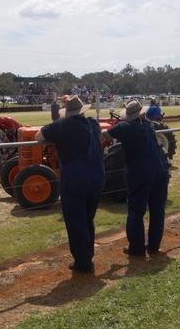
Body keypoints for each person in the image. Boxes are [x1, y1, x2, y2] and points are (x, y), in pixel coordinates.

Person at [35, 95, 104, 273]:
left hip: (75, 178)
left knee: (75, 220)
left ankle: (83, 262)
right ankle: (88, 255)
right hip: (97, 176)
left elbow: (39, 136)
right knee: (88, 218)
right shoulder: (93, 124)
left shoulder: (61, 125)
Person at [104, 100, 170, 256]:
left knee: (135, 211)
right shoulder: (149, 126)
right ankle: (154, 246)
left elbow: (104, 135)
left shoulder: (124, 127)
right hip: (160, 171)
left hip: (140, 173)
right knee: (157, 210)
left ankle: (136, 248)